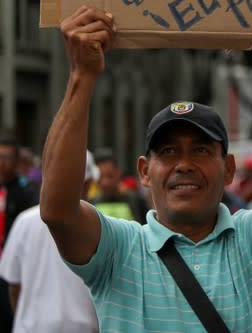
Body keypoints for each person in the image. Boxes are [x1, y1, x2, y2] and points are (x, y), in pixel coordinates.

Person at [39, 4, 252, 332]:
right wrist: (81, 76)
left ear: (229, 168)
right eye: (168, 152)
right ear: (145, 171)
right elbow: (58, 213)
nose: (184, 165)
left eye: (202, 150)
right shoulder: (117, 250)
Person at [0, 151, 100, 333]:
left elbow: (13, 286)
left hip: (32, 328)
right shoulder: (101, 225)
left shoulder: (25, 221)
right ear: (88, 183)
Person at [0, 136, 39, 333]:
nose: (2, 162)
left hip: (12, 265)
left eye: (6, 157)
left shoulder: (26, 191)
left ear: (16, 161)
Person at [90, 148, 150, 223]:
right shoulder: (91, 204)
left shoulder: (137, 201)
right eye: (100, 177)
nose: (105, 182)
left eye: (110, 176)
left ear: (119, 173)